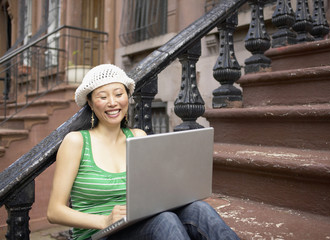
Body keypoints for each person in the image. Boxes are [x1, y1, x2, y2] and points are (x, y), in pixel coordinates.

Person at [47, 64, 240, 240]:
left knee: (199, 209)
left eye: (118, 94)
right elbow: (54, 211)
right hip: (98, 234)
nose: (112, 102)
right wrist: (104, 221)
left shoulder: (137, 136)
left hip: (139, 223)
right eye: (102, 97)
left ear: (127, 97)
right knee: (165, 221)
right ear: (90, 103)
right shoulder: (76, 141)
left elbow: (154, 190)